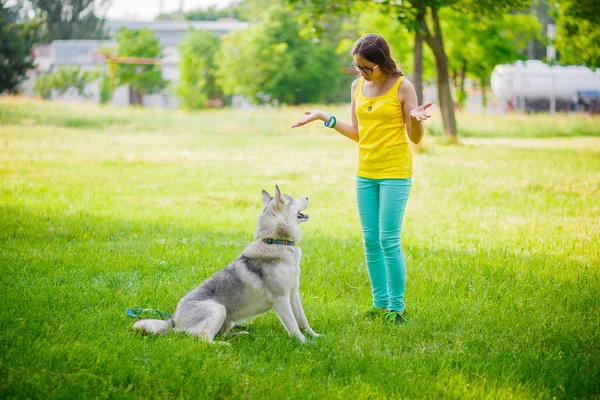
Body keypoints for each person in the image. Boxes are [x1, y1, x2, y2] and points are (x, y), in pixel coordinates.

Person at [292, 33, 432, 324]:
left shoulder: (403, 87)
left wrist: (416, 120)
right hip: (365, 172)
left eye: (367, 68)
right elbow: (358, 133)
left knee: (388, 240)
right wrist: (324, 118)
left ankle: (397, 307)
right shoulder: (357, 87)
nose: (362, 73)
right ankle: (379, 303)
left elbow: (415, 139)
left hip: (394, 171)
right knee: (370, 240)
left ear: (381, 62)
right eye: (358, 67)